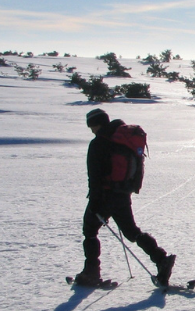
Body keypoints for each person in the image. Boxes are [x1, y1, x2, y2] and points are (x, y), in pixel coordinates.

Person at [74, 108, 176, 287]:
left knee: (89, 231)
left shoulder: (99, 143)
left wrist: (96, 201)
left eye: (92, 126)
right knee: (131, 231)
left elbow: (95, 176)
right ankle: (161, 259)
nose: (92, 130)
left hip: (105, 195)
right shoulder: (122, 139)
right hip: (122, 193)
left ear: (98, 124)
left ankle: (91, 272)